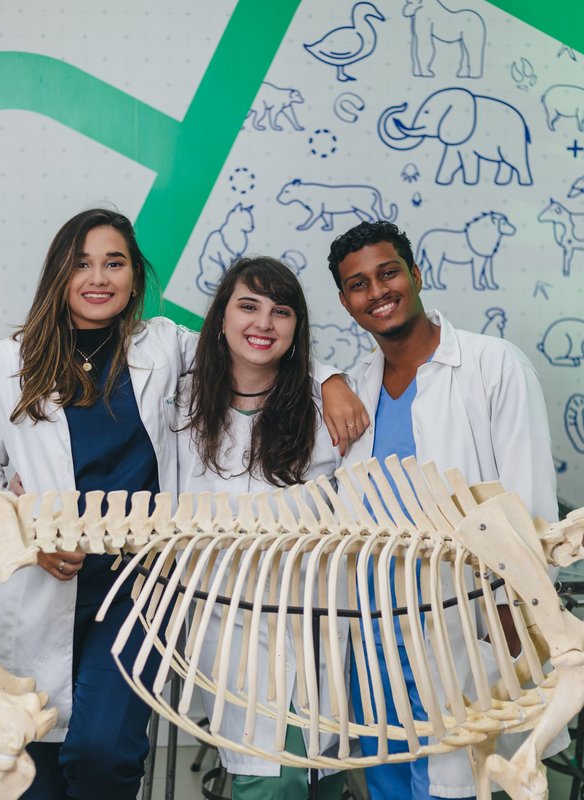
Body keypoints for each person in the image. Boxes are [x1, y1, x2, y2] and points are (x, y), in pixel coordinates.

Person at [0, 209, 364, 799]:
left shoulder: (163, 345)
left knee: (102, 752)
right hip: (43, 577)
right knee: (29, 757)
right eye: (83, 264)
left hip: (136, 585)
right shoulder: (6, 363)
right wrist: (29, 532)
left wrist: (329, 379)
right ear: (58, 275)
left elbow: (252, 346)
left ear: (133, 276)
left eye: (114, 263)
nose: (100, 278)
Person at [326, 220, 559, 800]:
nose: (377, 292)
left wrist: (515, 609)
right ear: (345, 301)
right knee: (387, 770)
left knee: (461, 775)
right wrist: (327, 377)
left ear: (415, 275)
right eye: (358, 284)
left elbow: (527, 502)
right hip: (375, 622)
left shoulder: (493, 366)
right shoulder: (357, 386)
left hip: (464, 613)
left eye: (388, 273)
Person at [176, 255, 347, 799]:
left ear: (297, 329)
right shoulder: (178, 402)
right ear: (221, 318)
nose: (263, 324)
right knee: (268, 772)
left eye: (281, 312)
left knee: (321, 770)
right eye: (248, 306)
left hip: (313, 607)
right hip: (225, 615)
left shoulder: (328, 405)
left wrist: (333, 378)